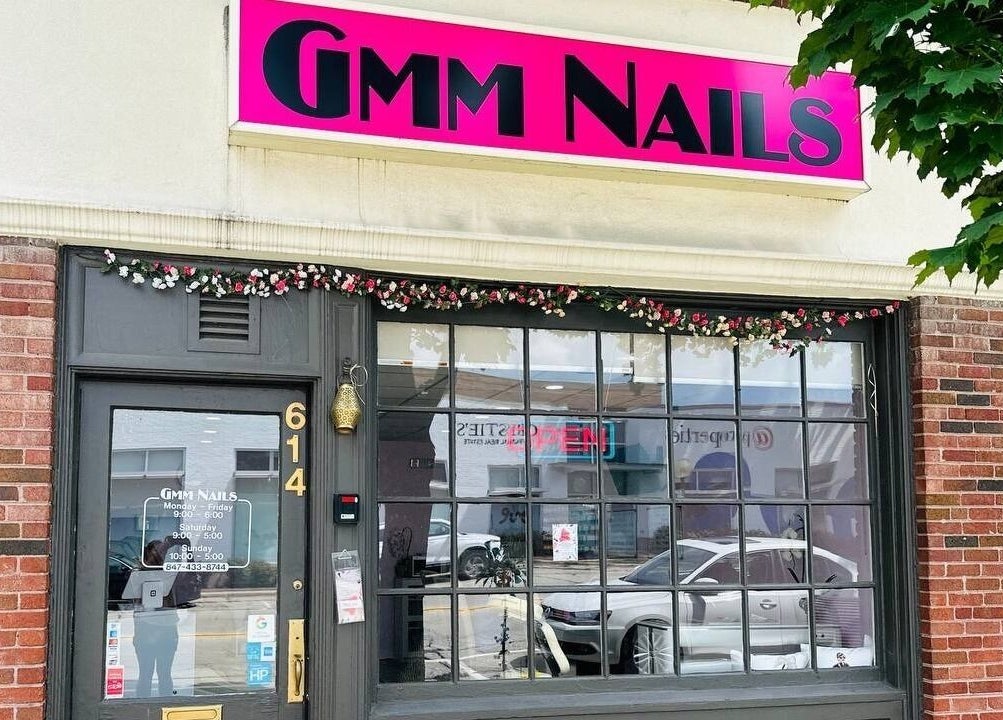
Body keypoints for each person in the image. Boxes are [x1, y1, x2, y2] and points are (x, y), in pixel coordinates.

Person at [133, 539, 179, 697]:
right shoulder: (140, 572)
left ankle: (165, 706)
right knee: (145, 675)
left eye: (163, 552)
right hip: (146, 631)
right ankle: (141, 711)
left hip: (167, 631)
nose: (162, 555)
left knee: (165, 675)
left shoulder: (167, 573)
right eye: (159, 552)